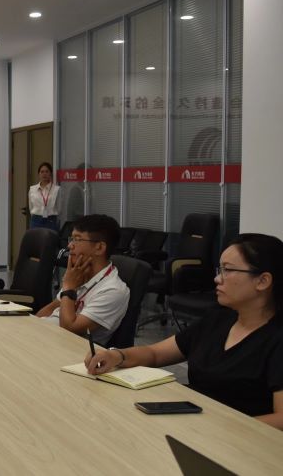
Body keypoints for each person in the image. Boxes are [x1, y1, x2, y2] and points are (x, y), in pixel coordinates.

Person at [86, 234, 283, 429]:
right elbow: (155, 354)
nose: (217, 278)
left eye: (228, 270)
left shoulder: (276, 339)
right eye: (220, 269)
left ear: (263, 281)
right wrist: (117, 355)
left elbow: (280, 418)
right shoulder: (217, 320)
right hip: (192, 425)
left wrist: (223, 428)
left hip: (235, 438)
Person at [36, 214, 129, 345]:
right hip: (43, 336)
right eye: (71, 239)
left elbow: (69, 329)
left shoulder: (113, 290)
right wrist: (31, 327)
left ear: (99, 248)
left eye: (77, 239)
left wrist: (69, 287)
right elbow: (49, 310)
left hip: (65, 348)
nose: (70, 245)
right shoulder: (80, 274)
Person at [28, 162, 61, 231]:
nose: (44, 174)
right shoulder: (32, 189)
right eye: (42, 172)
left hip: (51, 220)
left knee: (50, 238)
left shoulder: (56, 189)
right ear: (39, 174)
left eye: (47, 171)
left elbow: (59, 208)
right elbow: (31, 207)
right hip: (36, 220)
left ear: (50, 174)